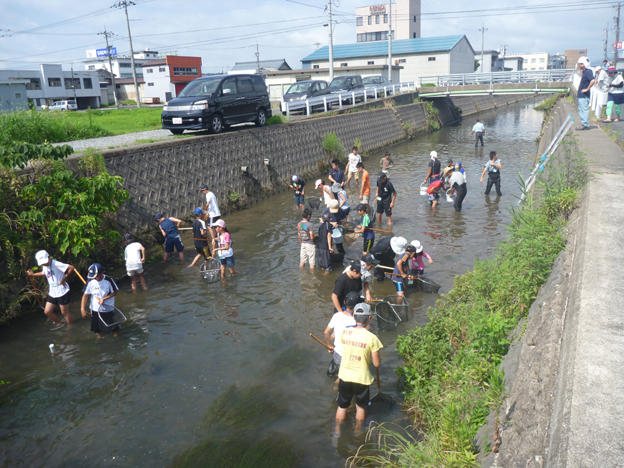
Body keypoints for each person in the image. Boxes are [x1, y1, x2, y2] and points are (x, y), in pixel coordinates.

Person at [334, 302, 383, 436]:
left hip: (345, 375)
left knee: (342, 405)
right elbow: (376, 364)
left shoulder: (345, 332)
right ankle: (357, 432)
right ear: (369, 317)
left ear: (354, 317)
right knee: (361, 407)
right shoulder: (372, 338)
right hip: (361, 379)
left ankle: (337, 431)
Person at [27, 250, 76, 329]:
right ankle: (59, 324)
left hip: (62, 291)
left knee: (64, 312)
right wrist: (34, 274)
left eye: (45, 262)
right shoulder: (45, 265)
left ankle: (70, 327)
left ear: (49, 257)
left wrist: (63, 278)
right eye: (43, 263)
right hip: (52, 292)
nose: (44, 264)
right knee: (47, 312)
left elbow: (71, 267)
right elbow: (44, 272)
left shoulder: (56, 264)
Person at [324, 291, 359, 384]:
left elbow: (326, 332)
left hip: (337, 353)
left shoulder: (337, 315)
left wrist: (329, 345)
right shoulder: (356, 321)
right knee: (344, 377)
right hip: (348, 356)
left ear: (344, 302)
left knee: (340, 371)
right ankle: (336, 386)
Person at [81, 263, 119, 338]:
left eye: (96, 276)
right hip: (95, 309)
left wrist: (103, 299)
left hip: (108, 308)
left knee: (113, 327)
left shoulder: (108, 280)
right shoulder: (90, 281)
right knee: (97, 328)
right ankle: (99, 338)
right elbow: (85, 295)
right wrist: (82, 309)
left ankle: (116, 337)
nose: (94, 278)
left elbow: (115, 292)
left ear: (101, 273)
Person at [576, 57, 595, 131]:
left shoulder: (588, 72)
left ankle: (585, 124)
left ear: (584, 64)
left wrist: (587, 89)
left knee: (584, 110)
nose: (579, 65)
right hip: (581, 95)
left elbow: (593, 80)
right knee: (581, 110)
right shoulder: (584, 72)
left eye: (580, 64)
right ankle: (583, 124)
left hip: (584, 96)